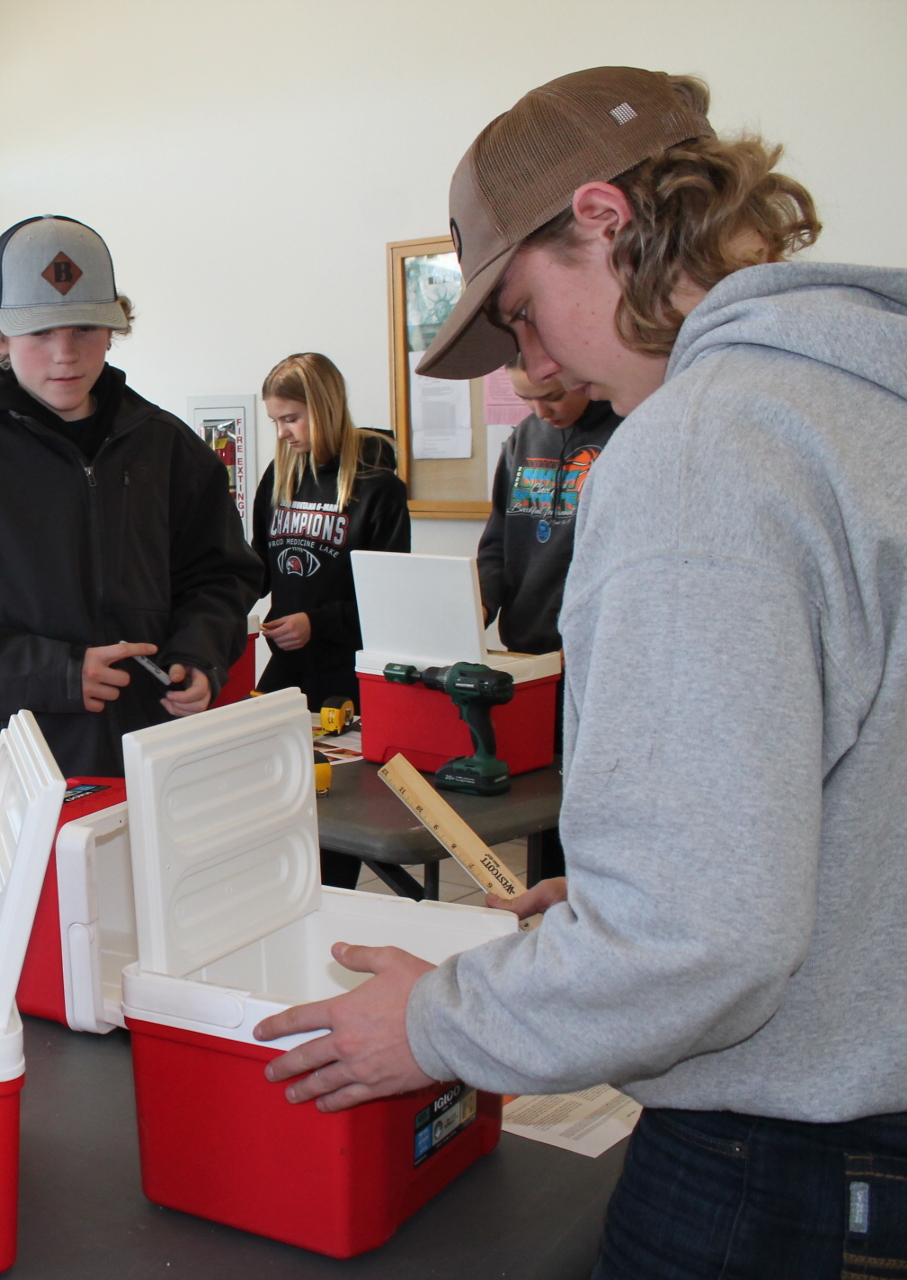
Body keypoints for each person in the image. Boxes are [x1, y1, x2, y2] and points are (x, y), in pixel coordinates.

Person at [251, 68, 907, 1278]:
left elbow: (704, 940)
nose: (530, 361)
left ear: (604, 217)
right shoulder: (865, 395)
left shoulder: (703, 446)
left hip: (780, 1166)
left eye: (523, 307)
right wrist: (638, 896)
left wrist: (440, 1022)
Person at [0, 216, 260, 824]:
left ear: (113, 328)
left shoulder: (168, 449)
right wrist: (56, 674)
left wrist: (200, 654)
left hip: (150, 767)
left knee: (150, 916)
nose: (65, 355)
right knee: (36, 922)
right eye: (39, 332)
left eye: (86, 328)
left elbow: (221, 576)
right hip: (11, 780)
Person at [251, 353, 410, 711]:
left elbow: (387, 599)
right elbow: (257, 563)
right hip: (287, 665)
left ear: (324, 408)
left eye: (291, 419)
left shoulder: (378, 487)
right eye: (276, 421)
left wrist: (316, 623)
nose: (282, 432)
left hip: (349, 669)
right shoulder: (280, 475)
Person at [477, 352, 621, 657]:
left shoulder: (624, 430)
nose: (541, 412)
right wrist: (481, 603)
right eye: (525, 399)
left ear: (578, 377)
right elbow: (499, 539)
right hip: (524, 644)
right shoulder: (525, 435)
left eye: (552, 397)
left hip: (591, 648)